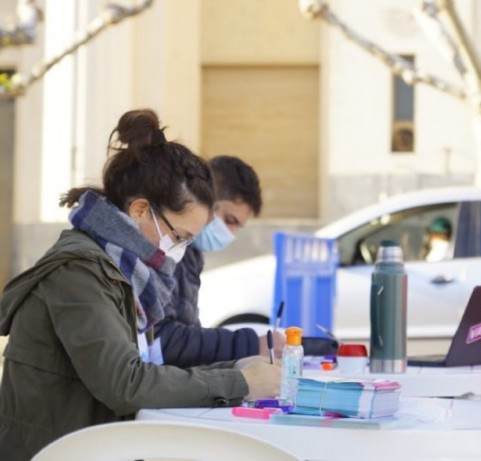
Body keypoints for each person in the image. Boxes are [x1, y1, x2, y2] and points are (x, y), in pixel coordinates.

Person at [0, 109, 280, 460]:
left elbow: (149, 363)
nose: (180, 251)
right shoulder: (79, 272)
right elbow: (124, 383)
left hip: (96, 441)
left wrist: (235, 368)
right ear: (140, 210)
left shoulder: (128, 271)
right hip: (53, 450)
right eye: (179, 236)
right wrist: (240, 383)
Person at [154, 155, 285, 367]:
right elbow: (162, 343)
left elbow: (188, 337)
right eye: (229, 220)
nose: (230, 233)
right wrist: (248, 346)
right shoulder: (166, 247)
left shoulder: (191, 255)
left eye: (237, 226)